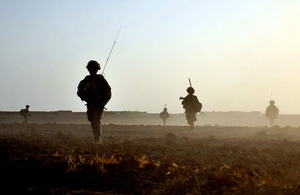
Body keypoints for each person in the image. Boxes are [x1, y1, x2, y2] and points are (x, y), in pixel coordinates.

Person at [77, 60, 111, 144]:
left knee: (96, 121)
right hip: (90, 105)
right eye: (90, 69)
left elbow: (108, 92)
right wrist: (85, 97)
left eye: (93, 69)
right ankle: (96, 138)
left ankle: (98, 140)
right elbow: (79, 91)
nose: (92, 70)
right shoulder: (86, 79)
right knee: (91, 120)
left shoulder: (101, 79)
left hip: (99, 105)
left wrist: (102, 103)